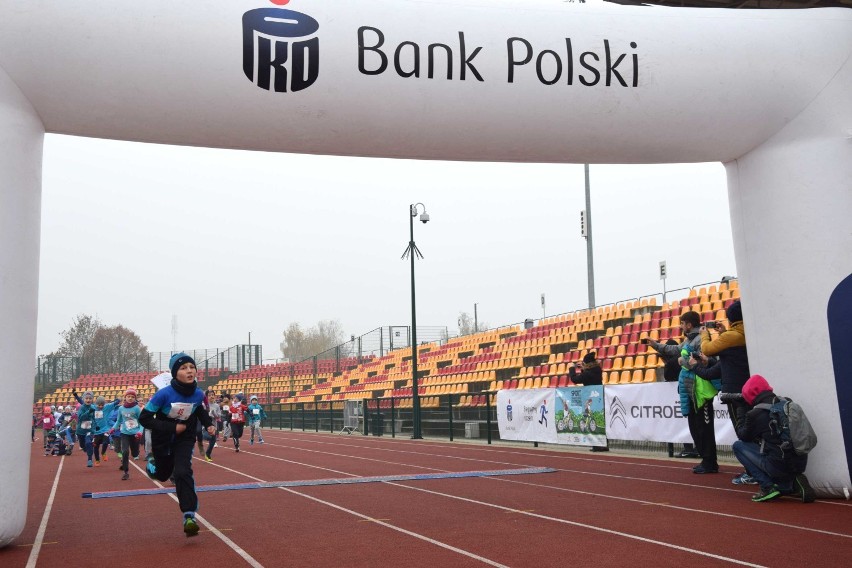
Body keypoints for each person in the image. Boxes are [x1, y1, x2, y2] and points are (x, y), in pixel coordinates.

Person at [139, 353, 215, 537]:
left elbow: (199, 410)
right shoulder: (163, 395)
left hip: (184, 438)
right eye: (183, 368)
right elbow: (145, 418)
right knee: (163, 475)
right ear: (175, 373)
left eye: (191, 366)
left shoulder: (198, 394)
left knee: (182, 472)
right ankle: (152, 466)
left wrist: (209, 424)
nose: (189, 371)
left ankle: (189, 516)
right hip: (163, 438)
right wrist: (172, 427)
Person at [732, 375, 815, 503]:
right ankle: (793, 482)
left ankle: (767, 486)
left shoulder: (755, 414)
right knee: (775, 450)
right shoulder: (786, 403)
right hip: (800, 461)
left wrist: (740, 409)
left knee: (738, 446)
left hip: (777, 465)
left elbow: (743, 435)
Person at [648, 311, 711, 471]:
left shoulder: (701, 339)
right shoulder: (689, 339)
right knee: (695, 427)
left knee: (702, 428)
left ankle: (710, 462)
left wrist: (682, 361)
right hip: (690, 388)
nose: (681, 326)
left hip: (699, 390)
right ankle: (706, 460)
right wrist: (655, 345)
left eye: (682, 323)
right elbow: (674, 349)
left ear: (689, 324)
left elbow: (703, 361)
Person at [701, 299, 752, 483]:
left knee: (742, 431)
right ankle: (755, 468)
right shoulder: (748, 332)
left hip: (735, 391)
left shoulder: (731, 337)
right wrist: (724, 332)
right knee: (753, 430)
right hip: (752, 388)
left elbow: (707, 349)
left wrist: (705, 334)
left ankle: (752, 471)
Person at [571, 351, 608, 452]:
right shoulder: (597, 370)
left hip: (591, 399)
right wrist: (583, 369)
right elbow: (587, 377)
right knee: (599, 419)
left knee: (593, 420)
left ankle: (597, 445)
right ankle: (603, 444)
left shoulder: (589, 373)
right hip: (598, 397)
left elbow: (575, 379)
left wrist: (572, 369)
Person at [111, 388, 144, 481]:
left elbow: (141, 422)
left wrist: (140, 432)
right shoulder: (121, 408)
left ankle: (136, 452)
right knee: (125, 451)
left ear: (135, 398)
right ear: (125, 397)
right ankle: (126, 472)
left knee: (135, 453)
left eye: (132, 397)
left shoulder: (137, 408)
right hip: (124, 433)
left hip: (135, 434)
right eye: (128, 396)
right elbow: (118, 421)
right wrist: (113, 429)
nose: (130, 398)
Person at [91, 395, 120, 466]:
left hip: (105, 430)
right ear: (96, 404)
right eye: (99, 405)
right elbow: (83, 403)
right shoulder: (93, 407)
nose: (101, 406)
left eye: (102, 405)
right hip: (96, 431)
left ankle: (103, 452)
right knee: (96, 446)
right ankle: (97, 460)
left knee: (106, 442)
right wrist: (76, 396)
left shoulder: (107, 407)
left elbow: (116, 402)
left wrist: (118, 399)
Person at [72, 389, 97, 467]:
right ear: (84, 399)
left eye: (90, 398)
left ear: (92, 399)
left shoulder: (93, 407)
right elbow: (81, 418)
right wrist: (88, 412)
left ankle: (90, 459)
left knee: (88, 442)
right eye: (86, 398)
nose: (88, 400)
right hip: (81, 431)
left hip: (90, 430)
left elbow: (94, 418)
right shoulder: (82, 408)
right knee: (83, 445)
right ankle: (85, 448)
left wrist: (97, 426)